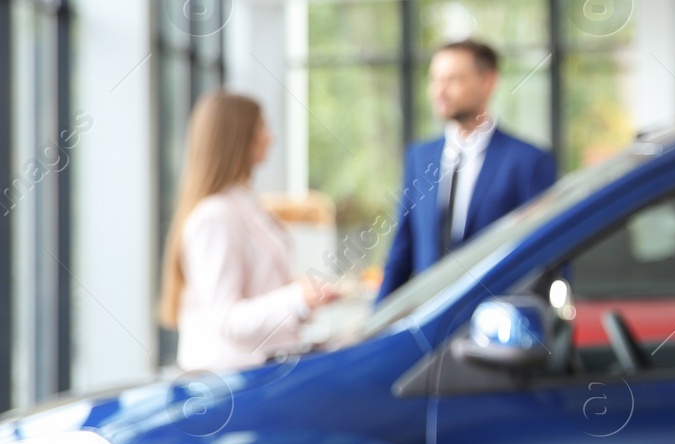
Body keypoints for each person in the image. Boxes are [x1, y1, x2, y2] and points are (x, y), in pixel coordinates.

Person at [159, 91, 338, 372]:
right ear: (239, 138)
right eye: (262, 128)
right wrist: (297, 298)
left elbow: (257, 286)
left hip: (263, 370)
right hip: (232, 384)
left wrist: (301, 294)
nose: (270, 138)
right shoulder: (214, 217)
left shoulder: (245, 205)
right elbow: (226, 318)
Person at [378, 39, 556, 299]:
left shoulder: (527, 161)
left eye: (452, 80)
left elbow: (545, 254)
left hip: (496, 325)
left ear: (488, 82)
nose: (439, 91)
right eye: (434, 79)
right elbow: (401, 253)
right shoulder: (419, 157)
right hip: (430, 325)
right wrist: (374, 325)